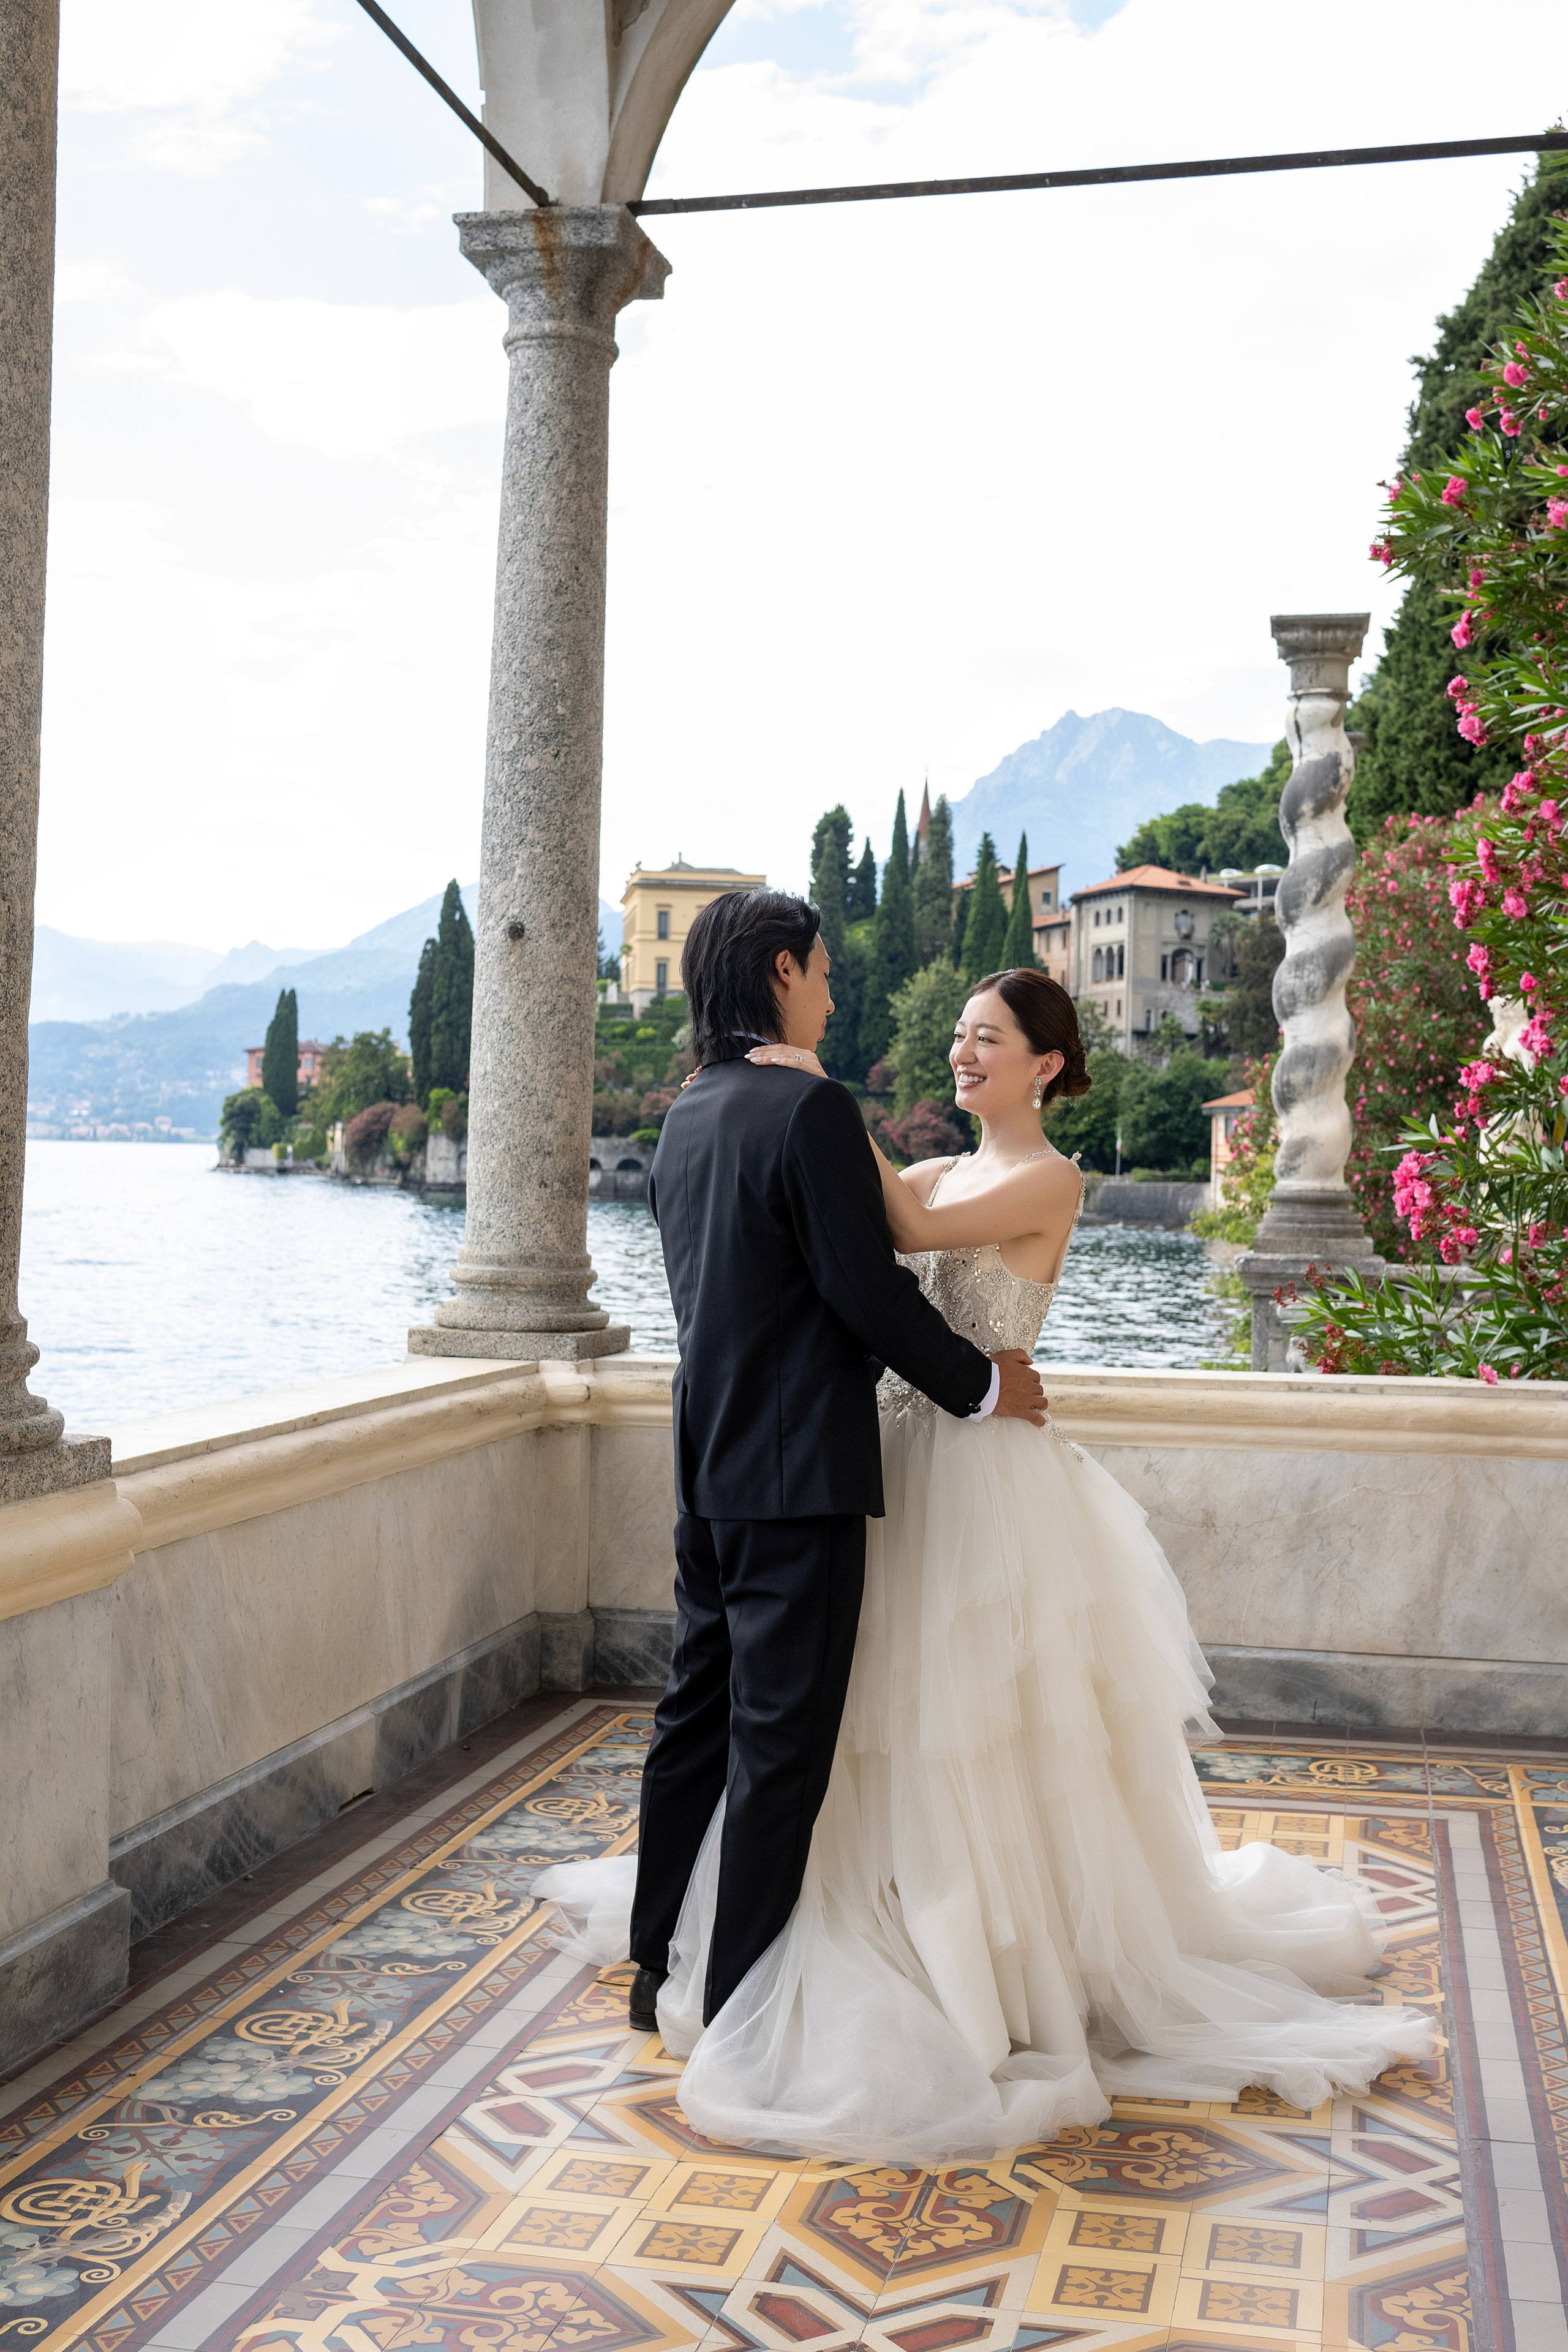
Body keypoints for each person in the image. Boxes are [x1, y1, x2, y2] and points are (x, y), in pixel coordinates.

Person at [537, 955, 1433, 2162]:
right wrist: (793, 1114)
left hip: (981, 1477)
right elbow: (851, 1251)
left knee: (973, 1723)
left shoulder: (1044, 1178)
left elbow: (900, 1236)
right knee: (857, 1718)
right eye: (959, 1036)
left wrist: (804, 1094)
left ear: (1047, 1065)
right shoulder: (934, 1165)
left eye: (988, 1040)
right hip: (892, 1460)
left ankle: (990, 1963)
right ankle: (864, 1915)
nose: (964, 1054)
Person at [600, 890, 1047, 2045]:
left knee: (694, 1720)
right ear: (784, 971)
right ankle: (739, 2000)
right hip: (800, 1475)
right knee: (783, 1750)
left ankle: (656, 1968)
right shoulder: (804, 1111)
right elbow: (865, 1290)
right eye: (826, 972)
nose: (836, 992)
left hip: (709, 1463)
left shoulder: (690, 1111)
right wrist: (986, 1385)